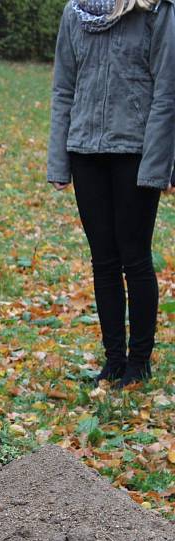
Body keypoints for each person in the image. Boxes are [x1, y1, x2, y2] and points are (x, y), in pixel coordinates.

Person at [47, 0, 175, 388]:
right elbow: (63, 88)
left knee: (134, 259)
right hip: (85, 151)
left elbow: (167, 91)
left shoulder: (156, 10)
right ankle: (113, 360)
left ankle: (139, 362)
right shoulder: (75, 12)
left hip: (135, 152)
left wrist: (158, 165)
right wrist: (59, 161)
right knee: (102, 261)